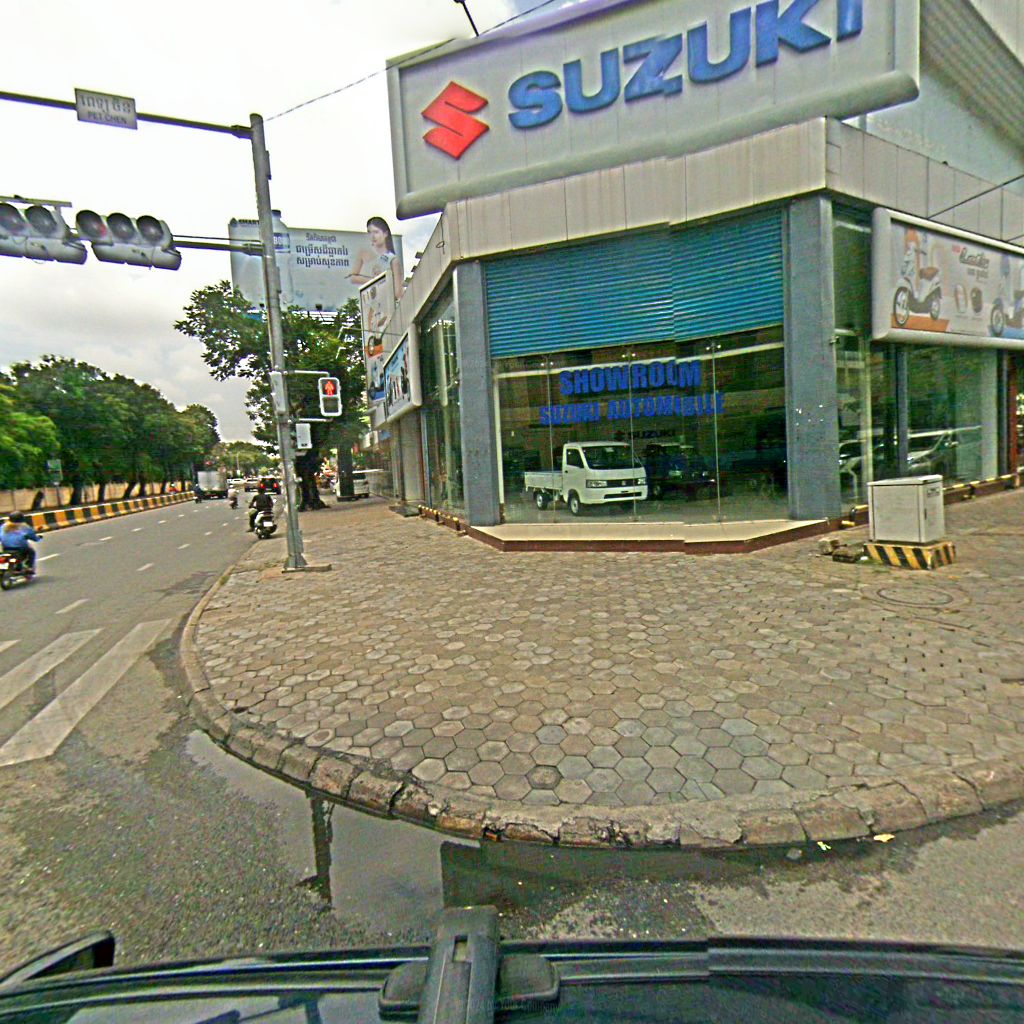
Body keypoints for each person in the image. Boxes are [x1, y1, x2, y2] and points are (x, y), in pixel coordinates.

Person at [349, 217, 399, 285]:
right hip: (367, 290)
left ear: (385, 233)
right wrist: (374, 280)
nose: (372, 236)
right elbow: (353, 278)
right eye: (369, 232)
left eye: (376, 232)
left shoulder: (392, 260)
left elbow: (397, 288)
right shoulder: (363, 252)